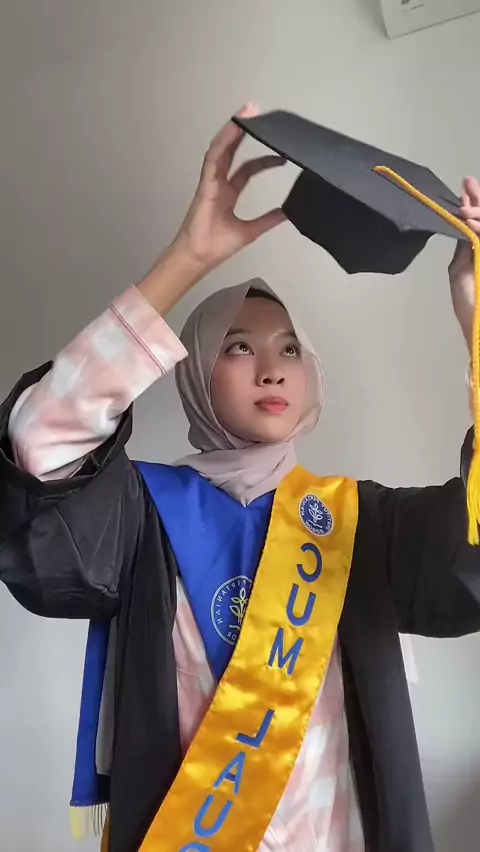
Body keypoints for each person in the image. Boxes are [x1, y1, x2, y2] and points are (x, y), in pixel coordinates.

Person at [1, 103, 480, 852]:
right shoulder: (138, 515)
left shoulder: (364, 523)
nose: (271, 368)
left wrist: (476, 321)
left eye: (290, 349)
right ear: (193, 371)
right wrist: (187, 259)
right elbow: (39, 443)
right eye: (237, 346)